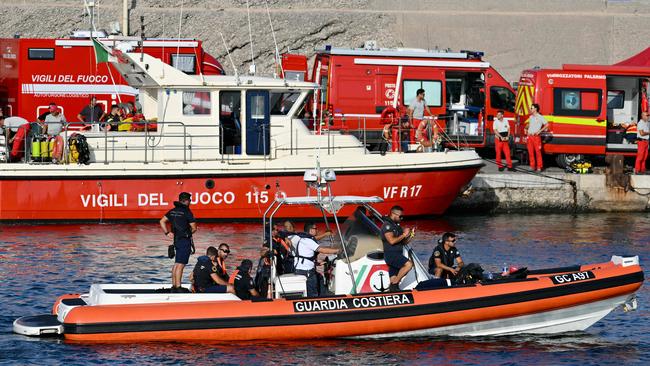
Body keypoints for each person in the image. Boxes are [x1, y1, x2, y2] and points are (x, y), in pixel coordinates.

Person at [160, 192, 197, 292]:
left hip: (176, 240)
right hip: (184, 240)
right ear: (186, 201)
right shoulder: (187, 212)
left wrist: (167, 233)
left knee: (176, 263)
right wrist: (189, 233)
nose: (191, 202)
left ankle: (174, 285)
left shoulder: (173, 211)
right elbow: (194, 228)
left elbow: (162, 221)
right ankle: (178, 287)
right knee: (181, 264)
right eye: (190, 200)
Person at [291, 222, 340, 297]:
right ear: (311, 230)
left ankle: (323, 297)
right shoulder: (308, 240)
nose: (317, 230)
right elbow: (322, 250)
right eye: (315, 229)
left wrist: (317, 263)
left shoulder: (304, 239)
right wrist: (338, 250)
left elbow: (307, 255)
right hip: (306, 271)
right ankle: (316, 299)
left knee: (320, 278)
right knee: (313, 290)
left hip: (302, 269)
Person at [381, 205, 414, 292]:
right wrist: (403, 234)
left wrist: (410, 235)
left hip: (398, 253)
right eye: (400, 216)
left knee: (394, 276)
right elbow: (391, 241)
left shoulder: (396, 226)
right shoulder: (387, 226)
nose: (401, 218)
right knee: (408, 264)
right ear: (394, 214)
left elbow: (403, 242)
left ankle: (393, 289)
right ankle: (394, 283)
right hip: (391, 254)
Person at [525, 103, 548, 172]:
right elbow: (529, 124)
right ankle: (532, 166)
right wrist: (526, 128)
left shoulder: (540, 117)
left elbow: (547, 125)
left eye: (531, 108)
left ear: (535, 109)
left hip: (536, 137)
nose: (530, 109)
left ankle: (539, 167)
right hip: (530, 136)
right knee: (530, 152)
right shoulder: (531, 117)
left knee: (538, 152)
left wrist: (539, 131)